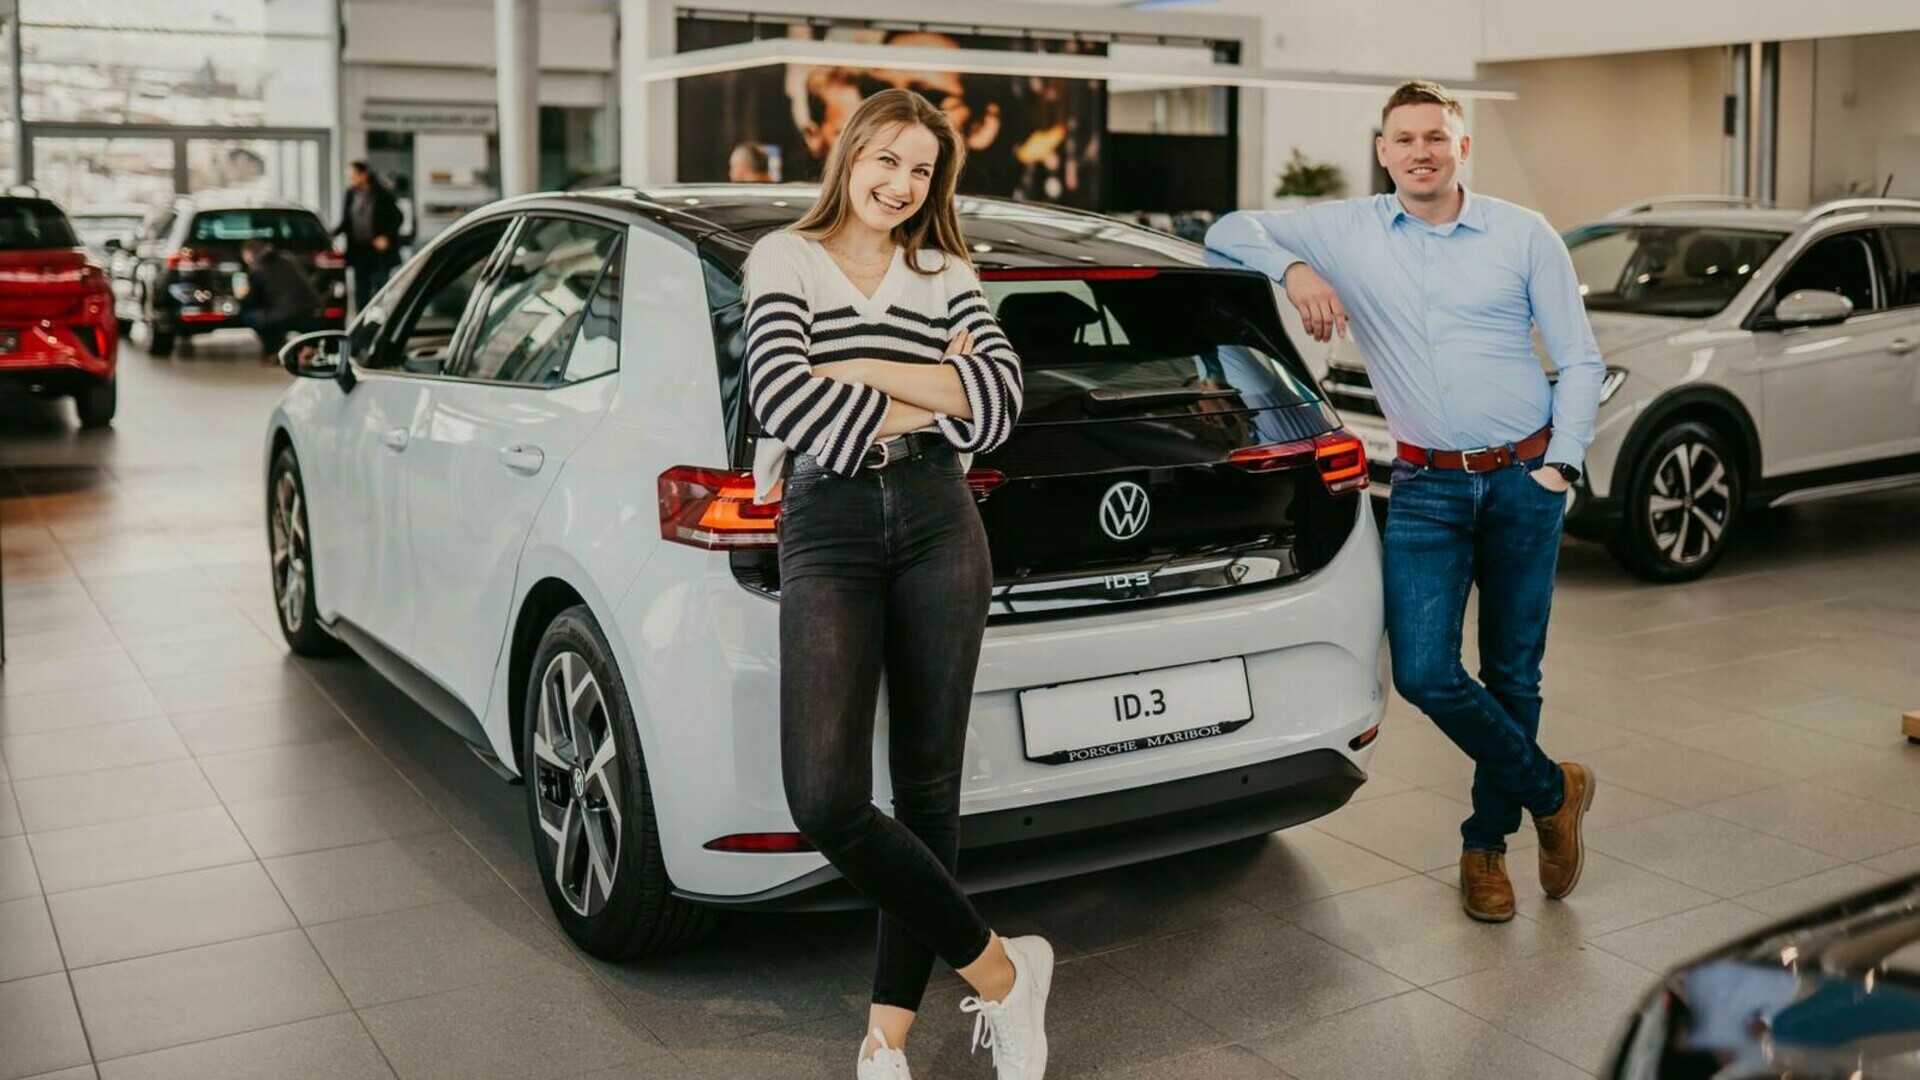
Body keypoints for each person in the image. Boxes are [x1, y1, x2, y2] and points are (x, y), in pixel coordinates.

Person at [1206, 80, 1605, 924]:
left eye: (1436, 137)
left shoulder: (1523, 234)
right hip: (1425, 487)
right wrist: (1295, 268)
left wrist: (1560, 469)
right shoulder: (1348, 228)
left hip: (1525, 476)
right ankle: (1553, 790)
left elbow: (1579, 359)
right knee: (1424, 672)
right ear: (1383, 151)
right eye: (1405, 139)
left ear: (1463, 148)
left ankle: (1485, 845)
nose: (1421, 151)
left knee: (1512, 672)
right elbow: (1227, 228)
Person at [741, 88, 1048, 1080]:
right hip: (827, 518)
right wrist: (928, 383)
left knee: (926, 787)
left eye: (922, 170)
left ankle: (888, 1039)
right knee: (825, 797)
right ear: (849, 154)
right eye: (887, 160)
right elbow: (780, 393)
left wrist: (861, 365)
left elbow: (1000, 403)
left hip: (936, 517)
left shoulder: (946, 270)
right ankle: (1003, 972)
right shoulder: (784, 258)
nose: (902, 184)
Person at [334, 160, 403, 313]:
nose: (351, 180)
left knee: (380, 286)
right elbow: (347, 220)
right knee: (361, 288)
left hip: (378, 251)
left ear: (364, 175)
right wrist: (333, 233)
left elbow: (397, 217)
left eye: (353, 176)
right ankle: (362, 318)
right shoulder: (350, 194)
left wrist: (386, 237)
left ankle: (381, 317)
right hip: (359, 249)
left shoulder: (382, 194)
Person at [239, 239, 324, 358]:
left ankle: (273, 350)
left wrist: (241, 296)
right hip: (309, 310)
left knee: (251, 316)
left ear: (248, 254)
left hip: (282, 315)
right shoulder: (286, 258)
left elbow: (252, 300)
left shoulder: (257, 269)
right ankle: (309, 348)